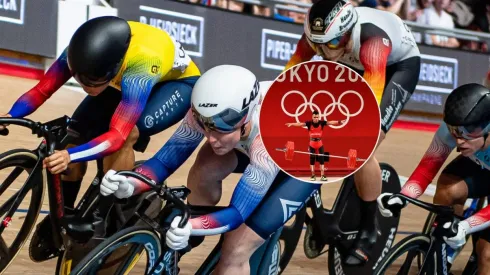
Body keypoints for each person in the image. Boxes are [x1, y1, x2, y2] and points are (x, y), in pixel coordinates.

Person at [0, 16, 201, 261]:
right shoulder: (79, 52)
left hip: (174, 86)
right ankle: (66, 216)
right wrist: (9, 116)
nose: (86, 87)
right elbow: (42, 90)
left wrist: (70, 156)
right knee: (73, 133)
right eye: (80, 80)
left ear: (112, 69)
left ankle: (111, 215)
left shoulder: (142, 63)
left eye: (92, 83)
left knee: (128, 134)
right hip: (118, 81)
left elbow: (116, 136)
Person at [99, 65, 321, 275]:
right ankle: (191, 230)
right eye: (206, 127)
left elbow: (237, 213)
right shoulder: (207, 112)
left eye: (220, 130)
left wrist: (193, 226)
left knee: (235, 250)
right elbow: (165, 162)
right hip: (245, 145)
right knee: (205, 166)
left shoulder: (267, 138)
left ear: (245, 119)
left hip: (300, 161)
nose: (211, 137)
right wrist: (132, 182)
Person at [284, 0, 421, 265]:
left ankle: (370, 227)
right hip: (353, 62)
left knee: (361, 144)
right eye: (317, 45)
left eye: (331, 44)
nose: (324, 52)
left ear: (346, 33)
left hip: (396, 67)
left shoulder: (371, 41)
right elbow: (290, 73)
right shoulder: (321, 37)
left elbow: (367, 104)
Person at [378, 83, 490, 273]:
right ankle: (446, 248)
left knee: (486, 256)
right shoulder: (453, 131)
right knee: (448, 190)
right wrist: (402, 197)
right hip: (480, 167)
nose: (459, 140)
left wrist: (465, 226)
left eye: (468, 133)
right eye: (455, 131)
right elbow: (425, 170)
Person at [286, 110, 344, 181]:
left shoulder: (322, 123)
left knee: (322, 159)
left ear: (318, 117)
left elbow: (330, 122)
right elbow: (300, 124)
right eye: (314, 117)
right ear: (312, 117)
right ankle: (313, 175)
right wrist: (292, 124)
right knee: (312, 159)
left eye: (317, 117)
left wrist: (339, 122)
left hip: (319, 144)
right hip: (312, 144)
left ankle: (322, 176)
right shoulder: (309, 123)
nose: (316, 118)